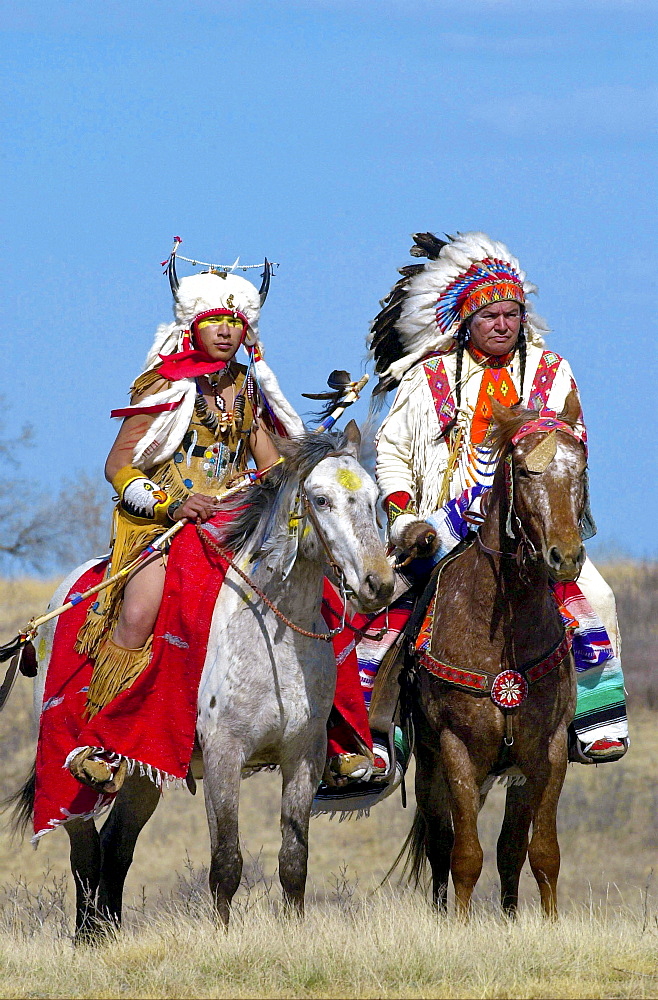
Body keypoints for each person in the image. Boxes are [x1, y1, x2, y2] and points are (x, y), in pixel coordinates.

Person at [369, 231, 628, 764]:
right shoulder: (429, 376)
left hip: (533, 521)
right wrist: (402, 514)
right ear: (467, 319)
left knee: (596, 598)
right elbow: (392, 449)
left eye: (511, 313)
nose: (502, 324)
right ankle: (374, 740)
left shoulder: (551, 372)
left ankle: (594, 720)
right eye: (490, 316)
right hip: (444, 522)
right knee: (380, 610)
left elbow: (572, 449)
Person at [67, 246, 303, 791]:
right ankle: (100, 740)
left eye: (235, 322)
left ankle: (333, 732)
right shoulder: (162, 385)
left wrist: (296, 475)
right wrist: (173, 505)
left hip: (233, 525)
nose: (226, 331)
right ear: (192, 326)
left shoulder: (246, 390)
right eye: (215, 321)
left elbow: (268, 465)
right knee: (141, 612)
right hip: (162, 527)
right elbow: (118, 467)